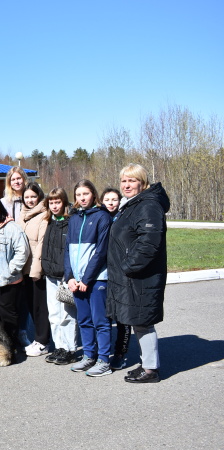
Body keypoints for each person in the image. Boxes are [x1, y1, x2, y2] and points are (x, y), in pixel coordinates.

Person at [107, 164, 170, 383]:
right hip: (131, 277)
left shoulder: (148, 206)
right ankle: (146, 365)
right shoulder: (132, 205)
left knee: (143, 322)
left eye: (132, 181)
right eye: (123, 180)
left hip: (141, 277)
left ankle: (151, 370)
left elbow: (149, 243)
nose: (126, 185)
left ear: (142, 183)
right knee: (138, 321)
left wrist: (127, 267)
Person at [65, 180, 113, 377]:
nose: (82, 198)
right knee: (84, 320)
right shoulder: (74, 218)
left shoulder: (102, 217)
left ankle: (104, 360)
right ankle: (88, 355)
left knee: (100, 321)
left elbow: (101, 252)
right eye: (78, 195)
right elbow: (67, 250)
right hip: (77, 281)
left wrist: (86, 279)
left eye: (85, 194)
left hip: (96, 279)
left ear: (93, 194)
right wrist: (69, 277)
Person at [0, 195, 30, 352]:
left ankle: (12, 345)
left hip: (9, 280)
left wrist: (11, 270)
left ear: (0, 209)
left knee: (8, 315)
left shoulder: (11, 228)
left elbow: (22, 251)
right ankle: (0, 344)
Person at [40, 188, 79, 365]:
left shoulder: (71, 222)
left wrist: (69, 274)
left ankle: (70, 348)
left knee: (67, 315)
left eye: (58, 202)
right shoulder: (49, 221)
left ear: (64, 202)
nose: (54, 206)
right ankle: (59, 346)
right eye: (51, 202)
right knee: (54, 314)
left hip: (65, 276)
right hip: (50, 275)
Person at [18, 183, 51, 357]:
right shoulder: (22, 215)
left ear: (39, 197)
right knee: (31, 306)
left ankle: (43, 341)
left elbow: (41, 244)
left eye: (33, 197)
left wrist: (36, 271)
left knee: (40, 308)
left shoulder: (44, 215)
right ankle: (38, 339)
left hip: (35, 270)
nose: (30, 200)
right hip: (24, 269)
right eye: (27, 197)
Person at [101, 187, 131, 370]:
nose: (111, 203)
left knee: (123, 319)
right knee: (105, 317)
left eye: (114, 199)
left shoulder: (124, 218)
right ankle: (102, 352)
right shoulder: (100, 217)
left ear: (120, 201)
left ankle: (120, 354)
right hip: (104, 274)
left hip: (121, 274)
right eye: (107, 199)